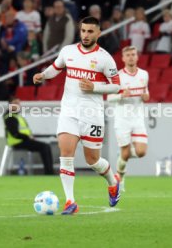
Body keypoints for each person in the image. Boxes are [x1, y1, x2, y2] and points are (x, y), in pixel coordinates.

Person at [33, 16, 121, 215]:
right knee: (66, 154)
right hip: (69, 112)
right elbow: (55, 68)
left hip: (92, 115)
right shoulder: (68, 51)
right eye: (83, 31)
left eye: (90, 31)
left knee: (92, 160)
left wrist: (95, 87)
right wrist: (42, 75)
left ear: (98, 33)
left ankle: (112, 181)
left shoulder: (105, 58)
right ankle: (70, 202)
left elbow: (116, 85)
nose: (86, 35)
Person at [107, 46, 149, 191]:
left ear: (137, 57)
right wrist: (120, 95)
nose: (131, 57)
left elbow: (146, 93)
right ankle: (120, 176)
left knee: (141, 152)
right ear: (123, 58)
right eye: (128, 55)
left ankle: (120, 168)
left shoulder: (144, 74)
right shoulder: (118, 77)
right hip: (122, 119)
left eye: (133, 54)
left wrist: (146, 97)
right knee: (125, 153)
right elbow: (109, 97)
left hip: (137, 119)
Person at [3, 97, 54, 175]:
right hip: (17, 142)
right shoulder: (10, 117)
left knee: (46, 146)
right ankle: (49, 173)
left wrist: (30, 136)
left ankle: (50, 171)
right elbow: (15, 134)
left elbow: (23, 131)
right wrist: (27, 137)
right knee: (44, 147)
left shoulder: (17, 116)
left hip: (24, 140)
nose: (18, 105)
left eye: (18, 103)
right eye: (15, 103)